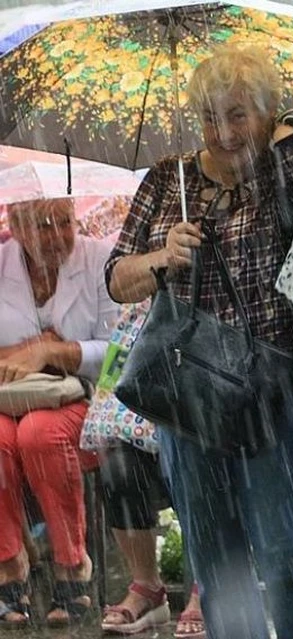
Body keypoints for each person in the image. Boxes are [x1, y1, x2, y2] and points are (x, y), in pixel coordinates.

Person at [105, 46, 293, 639]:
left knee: (290, 554)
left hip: (274, 384)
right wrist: (162, 258)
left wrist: (280, 128)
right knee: (217, 561)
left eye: (239, 115)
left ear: (267, 114)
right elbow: (115, 279)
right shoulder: (169, 180)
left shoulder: (290, 168)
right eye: (210, 117)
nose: (223, 132)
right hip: (190, 390)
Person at [0, 198, 119, 626]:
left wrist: (58, 351)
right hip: (8, 398)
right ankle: (9, 565)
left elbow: (121, 351)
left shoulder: (101, 260)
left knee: (39, 434)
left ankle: (73, 567)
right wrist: (27, 351)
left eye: (63, 223)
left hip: (82, 398)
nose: (55, 236)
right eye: (41, 225)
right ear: (13, 224)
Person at [98, 441, 205, 637]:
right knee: (119, 472)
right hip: (144, 429)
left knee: (201, 471)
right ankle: (147, 588)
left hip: (202, 431)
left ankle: (210, 586)